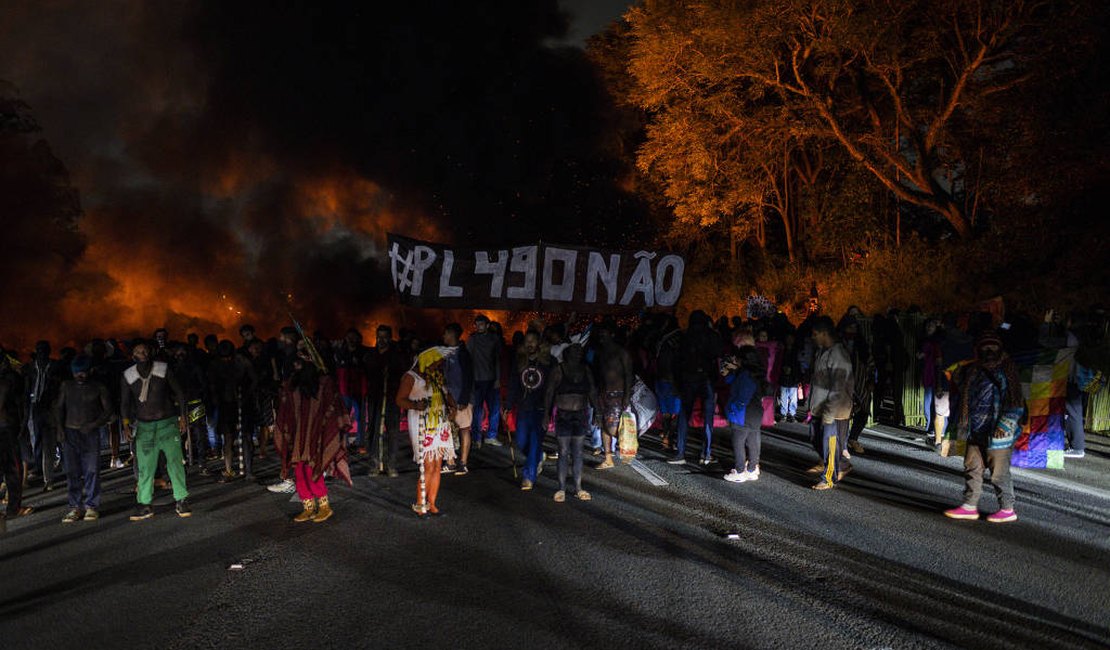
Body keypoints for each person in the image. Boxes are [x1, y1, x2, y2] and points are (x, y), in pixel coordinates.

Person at [944, 331, 1024, 523]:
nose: (989, 350)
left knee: (998, 472)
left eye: (993, 346)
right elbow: (961, 387)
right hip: (975, 427)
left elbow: (1015, 400)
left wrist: (1006, 424)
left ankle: (1007, 508)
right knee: (972, 467)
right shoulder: (973, 369)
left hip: (999, 430)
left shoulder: (1007, 369)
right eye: (985, 347)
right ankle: (970, 505)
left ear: (999, 348)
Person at [274, 352, 352, 523]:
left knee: (311, 469)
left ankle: (324, 506)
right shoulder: (293, 384)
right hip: (297, 436)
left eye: (299, 364)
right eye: (294, 364)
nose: (295, 368)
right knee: (299, 470)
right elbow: (287, 406)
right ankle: (308, 507)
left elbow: (332, 407)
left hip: (316, 435)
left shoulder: (324, 383)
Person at [121, 342, 190, 520]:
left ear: (150, 352)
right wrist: (126, 424)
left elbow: (180, 393)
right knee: (145, 468)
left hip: (167, 424)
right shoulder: (128, 375)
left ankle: (181, 500)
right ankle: (145, 505)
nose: (141, 352)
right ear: (132, 355)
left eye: (144, 349)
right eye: (137, 350)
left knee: (175, 463)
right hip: (144, 428)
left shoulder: (162, 368)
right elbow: (125, 403)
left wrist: (183, 417)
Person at [397, 347, 456, 515]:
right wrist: (415, 405)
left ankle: (432, 503)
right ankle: (420, 503)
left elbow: (446, 394)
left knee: (437, 465)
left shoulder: (436, 376)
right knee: (428, 464)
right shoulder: (411, 377)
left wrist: (453, 408)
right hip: (423, 423)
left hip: (439, 423)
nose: (439, 365)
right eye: (436, 362)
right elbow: (399, 400)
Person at [54, 355, 114, 522]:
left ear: (90, 371)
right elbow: (58, 408)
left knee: (92, 471)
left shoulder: (98, 387)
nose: (79, 376)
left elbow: (108, 410)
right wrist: (59, 429)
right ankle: (74, 507)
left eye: (82, 372)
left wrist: (94, 424)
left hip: (90, 434)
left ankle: (91, 506)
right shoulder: (67, 386)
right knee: (72, 472)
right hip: (70, 433)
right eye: (76, 373)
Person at [543, 343, 595, 502]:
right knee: (563, 452)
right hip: (563, 415)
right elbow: (549, 392)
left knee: (578, 452)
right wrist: (546, 414)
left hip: (580, 415)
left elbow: (592, 390)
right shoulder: (559, 370)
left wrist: (597, 411)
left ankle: (578, 487)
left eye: (580, 351)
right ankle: (561, 488)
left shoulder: (586, 370)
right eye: (575, 350)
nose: (579, 353)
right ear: (567, 353)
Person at [806, 317, 854, 490]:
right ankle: (840, 464)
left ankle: (829, 478)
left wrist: (830, 412)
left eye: (815, 334)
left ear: (824, 333)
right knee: (815, 438)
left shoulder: (838, 354)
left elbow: (839, 387)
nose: (813, 337)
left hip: (834, 410)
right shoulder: (822, 351)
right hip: (820, 407)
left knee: (830, 444)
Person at [669, 310, 721, 466]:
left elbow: (677, 361)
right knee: (708, 418)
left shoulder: (684, 336)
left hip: (688, 379)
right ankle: (706, 454)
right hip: (707, 380)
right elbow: (718, 356)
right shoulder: (713, 336)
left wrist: (677, 384)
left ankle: (680, 452)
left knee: (684, 415)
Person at [506, 331, 552, 490]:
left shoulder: (548, 362)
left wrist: (548, 410)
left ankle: (528, 476)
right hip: (523, 407)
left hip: (540, 409)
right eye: (527, 341)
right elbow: (513, 383)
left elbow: (551, 388)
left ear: (539, 343)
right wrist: (508, 404)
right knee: (521, 441)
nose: (530, 344)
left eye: (533, 341)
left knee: (534, 442)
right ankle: (539, 456)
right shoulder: (520, 361)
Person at [208, 340, 257, 482]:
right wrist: (216, 399)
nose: (227, 359)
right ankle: (228, 470)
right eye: (224, 357)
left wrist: (247, 394)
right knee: (228, 437)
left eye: (229, 356)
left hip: (243, 403)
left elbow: (254, 379)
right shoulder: (215, 365)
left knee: (247, 436)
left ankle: (249, 470)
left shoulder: (241, 361)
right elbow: (211, 385)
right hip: (226, 405)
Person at [721, 330, 764, 483]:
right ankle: (752, 469)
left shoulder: (746, 375)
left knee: (738, 442)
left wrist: (732, 409)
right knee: (753, 440)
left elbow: (742, 397)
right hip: (755, 412)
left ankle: (739, 471)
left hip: (742, 414)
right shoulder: (755, 372)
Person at [365, 325, 407, 478]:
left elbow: (403, 374)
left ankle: (391, 464)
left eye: (384, 337)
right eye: (379, 336)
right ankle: (375, 464)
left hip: (391, 399)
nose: (381, 340)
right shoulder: (370, 355)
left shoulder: (396, 356)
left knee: (393, 432)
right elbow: (367, 373)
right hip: (375, 398)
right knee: (374, 430)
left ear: (390, 338)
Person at [593, 322, 634, 470]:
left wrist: (626, 395)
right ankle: (608, 458)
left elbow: (629, 374)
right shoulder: (601, 353)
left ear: (612, 335)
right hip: (604, 395)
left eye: (604, 334)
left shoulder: (621, 352)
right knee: (604, 426)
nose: (602, 337)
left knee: (615, 428)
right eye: (600, 335)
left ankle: (624, 450)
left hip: (618, 395)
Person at [24, 340, 61, 491]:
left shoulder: (55, 366)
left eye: (44, 350)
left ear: (49, 351)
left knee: (51, 441)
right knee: (37, 438)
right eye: (39, 350)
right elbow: (26, 389)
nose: (41, 352)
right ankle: (40, 469)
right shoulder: (30, 368)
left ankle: (49, 475)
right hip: (35, 406)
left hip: (50, 407)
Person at [0, 350, 32, 518]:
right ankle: (13, 509)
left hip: (6, 429)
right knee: (13, 471)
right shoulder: (5, 382)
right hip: (5, 431)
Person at [442, 323, 474, 475]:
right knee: (447, 428)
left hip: (461, 398)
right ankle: (450, 461)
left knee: (464, 428)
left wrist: (464, 399)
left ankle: (463, 462)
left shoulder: (463, 354)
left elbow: (468, 377)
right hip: (449, 396)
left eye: (446, 334)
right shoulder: (445, 353)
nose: (444, 337)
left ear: (452, 335)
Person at [467, 314, 502, 447]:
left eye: (481, 324)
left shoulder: (494, 339)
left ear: (487, 325)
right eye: (476, 324)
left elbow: (497, 360)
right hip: (477, 379)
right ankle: (476, 437)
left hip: (492, 379)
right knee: (477, 410)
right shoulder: (472, 340)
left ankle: (491, 436)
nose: (478, 327)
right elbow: (468, 359)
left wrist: (498, 378)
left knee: (494, 408)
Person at [334, 328, 369, 452]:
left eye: (354, 338)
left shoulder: (364, 352)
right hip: (344, 391)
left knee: (360, 417)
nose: (351, 340)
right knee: (344, 417)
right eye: (349, 337)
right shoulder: (340, 352)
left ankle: (360, 443)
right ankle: (344, 442)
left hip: (359, 390)